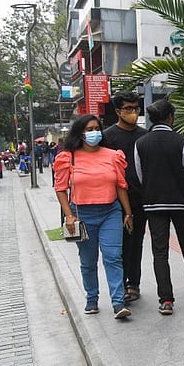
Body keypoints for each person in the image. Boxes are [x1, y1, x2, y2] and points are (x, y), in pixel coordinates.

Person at [53, 114, 133, 320]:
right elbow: (61, 189)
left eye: (97, 128)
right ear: (80, 132)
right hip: (82, 215)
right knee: (88, 261)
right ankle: (91, 298)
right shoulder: (67, 158)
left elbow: (121, 186)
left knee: (113, 256)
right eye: (89, 129)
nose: (94, 133)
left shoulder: (113, 156)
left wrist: (128, 213)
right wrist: (68, 216)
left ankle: (118, 303)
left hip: (110, 212)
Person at [134, 99, 184, 315]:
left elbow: (140, 174)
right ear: (170, 117)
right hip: (181, 203)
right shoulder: (183, 141)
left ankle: (166, 300)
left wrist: (151, 189)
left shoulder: (141, 143)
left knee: (159, 251)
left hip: (153, 203)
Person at [103, 91, 148, 303]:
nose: (133, 112)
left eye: (136, 108)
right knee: (117, 245)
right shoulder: (107, 137)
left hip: (139, 199)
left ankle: (133, 283)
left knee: (136, 241)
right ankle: (118, 285)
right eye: (128, 108)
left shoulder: (144, 135)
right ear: (118, 111)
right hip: (114, 200)